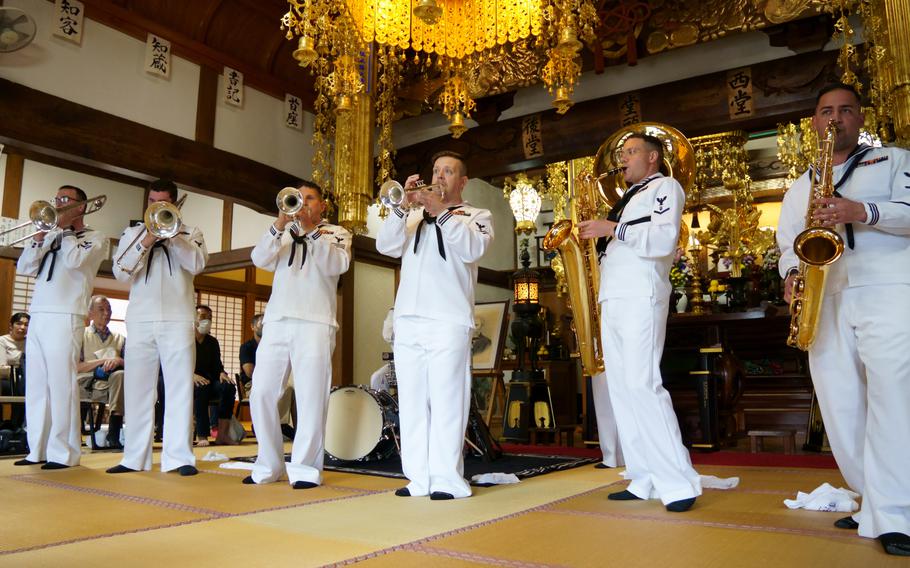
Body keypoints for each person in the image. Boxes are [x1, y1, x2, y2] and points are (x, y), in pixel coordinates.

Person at [776, 82, 910, 557]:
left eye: (845, 110)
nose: (835, 118)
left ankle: (895, 512)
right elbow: (787, 241)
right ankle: (874, 498)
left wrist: (860, 211)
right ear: (814, 122)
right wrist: (792, 273)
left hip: (886, 289)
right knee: (841, 405)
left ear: (860, 117)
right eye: (825, 111)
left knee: (892, 399)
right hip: (825, 296)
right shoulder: (803, 183)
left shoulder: (894, 159)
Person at [578, 133, 701, 512]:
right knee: (622, 388)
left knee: (643, 385)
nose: (623, 158)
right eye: (621, 153)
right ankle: (643, 476)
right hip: (614, 297)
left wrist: (611, 229)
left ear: (652, 158)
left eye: (631, 152)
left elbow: (664, 239)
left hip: (641, 294)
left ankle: (679, 482)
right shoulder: (624, 200)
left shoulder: (665, 186)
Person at [376, 150, 494, 500]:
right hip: (409, 318)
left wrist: (440, 213)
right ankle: (419, 478)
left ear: (462, 181)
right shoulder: (413, 219)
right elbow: (386, 245)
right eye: (436, 169)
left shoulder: (477, 216)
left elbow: (472, 249)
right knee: (412, 401)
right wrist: (402, 207)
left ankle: (447, 479)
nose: (439, 176)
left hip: (448, 318)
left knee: (447, 399)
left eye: (448, 171)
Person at [244, 180, 351, 488]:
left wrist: (311, 230)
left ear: (322, 206)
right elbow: (259, 259)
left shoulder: (336, 233)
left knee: (311, 397)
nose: (302, 204)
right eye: (298, 199)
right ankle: (269, 464)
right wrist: (281, 222)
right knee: (262, 392)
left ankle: (305, 469)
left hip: (316, 322)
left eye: (309, 199)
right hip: (277, 321)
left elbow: (336, 265)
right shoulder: (284, 232)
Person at [108, 179, 208, 476]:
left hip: (178, 319)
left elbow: (197, 264)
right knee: (139, 388)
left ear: (174, 204)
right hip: (141, 319)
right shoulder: (132, 233)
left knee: (179, 388)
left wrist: (173, 235)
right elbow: (120, 272)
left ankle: (178, 457)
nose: (155, 206)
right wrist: (148, 239)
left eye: (162, 201)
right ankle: (133, 458)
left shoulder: (192, 233)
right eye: (151, 200)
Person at [14, 185, 106, 469]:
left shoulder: (95, 238)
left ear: (81, 206)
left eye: (65, 200)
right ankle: (37, 449)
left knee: (62, 384)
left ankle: (64, 452)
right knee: (38, 385)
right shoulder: (51, 235)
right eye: (57, 199)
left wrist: (65, 232)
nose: (58, 203)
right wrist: (40, 238)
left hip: (66, 315)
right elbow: (25, 268)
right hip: (39, 314)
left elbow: (75, 261)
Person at [76, 295, 126, 449]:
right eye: (101, 309)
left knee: (121, 374)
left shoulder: (119, 338)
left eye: (109, 310)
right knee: (120, 379)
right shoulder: (80, 334)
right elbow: (76, 367)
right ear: (90, 313)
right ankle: (113, 433)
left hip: (113, 384)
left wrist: (118, 361)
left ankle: (114, 433)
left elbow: (131, 364)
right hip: (87, 384)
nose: (106, 313)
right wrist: (103, 361)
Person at [239, 314, 296, 440]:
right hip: (252, 384)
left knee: (293, 390)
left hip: (274, 380)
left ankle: (298, 428)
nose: (263, 326)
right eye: (260, 323)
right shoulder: (247, 347)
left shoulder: (272, 346)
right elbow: (249, 372)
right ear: (252, 327)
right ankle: (278, 425)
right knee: (285, 389)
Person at [191, 305, 237, 447]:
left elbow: (217, 366)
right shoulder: (185, 339)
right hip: (189, 381)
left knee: (229, 387)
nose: (207, 321)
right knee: (201, 387)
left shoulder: (212, 342)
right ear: (194, 318)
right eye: (203, 317)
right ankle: (202, 435)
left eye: (210, 318)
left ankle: (222, 435)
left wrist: (222, 373)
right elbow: (176, 363)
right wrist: (191, 375)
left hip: (209, 380)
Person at [0, 312, 29, 392]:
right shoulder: (2, 340)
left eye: (26, 325)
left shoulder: (30, 342)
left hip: (26, 377)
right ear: (11, 326)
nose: (22, 327)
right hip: (7, 378)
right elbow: (2, 367)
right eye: (19, 323)